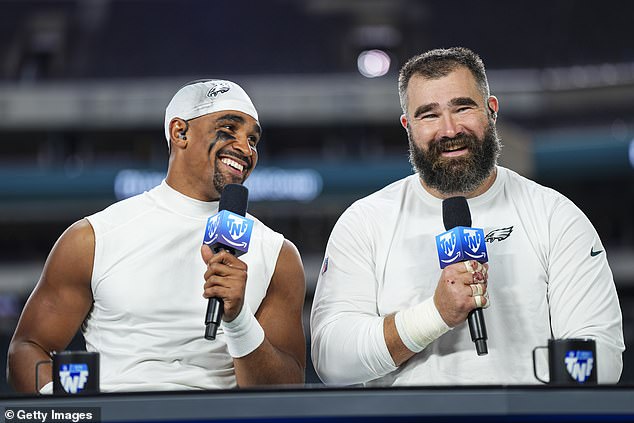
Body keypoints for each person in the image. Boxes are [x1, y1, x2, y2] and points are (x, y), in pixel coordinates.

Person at [310, 47, 624, 386]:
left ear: (491, 110)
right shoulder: (365, 222)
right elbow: (332, 361)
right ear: (408, 127)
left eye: (462, 107)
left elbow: (601, 353)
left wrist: (523, 393)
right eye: (428, 115)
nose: (449, 129)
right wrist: (435, 315)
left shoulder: (555, 216)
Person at [8, 79, 306, 392]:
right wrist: (73, 412)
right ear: (180, 132)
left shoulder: (277, 254)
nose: (246, 149)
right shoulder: (94, 237)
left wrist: (238, 319)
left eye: (253, 140)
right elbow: (27, 347)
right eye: (229, 129)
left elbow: (286, 388)